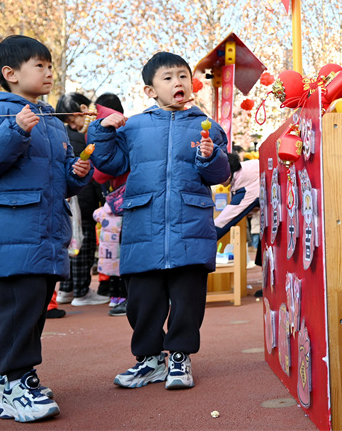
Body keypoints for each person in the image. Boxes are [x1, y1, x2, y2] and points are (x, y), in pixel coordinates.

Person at [0, 35, 92, 422]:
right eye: (40, 65)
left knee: (33, 308)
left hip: (45, 232)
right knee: (18, 309)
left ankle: (8, 379)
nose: (49, 72)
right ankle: (20, 381)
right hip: (10, 232)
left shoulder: (50, 122)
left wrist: (76, 174)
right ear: (10, 73)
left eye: (50, 65)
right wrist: (15, 130)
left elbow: (61, 182)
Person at [89, 52, 229, 390]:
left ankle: (179, 356)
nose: (177, 82)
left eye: (182, 75)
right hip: (143, 226)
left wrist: (208, 156)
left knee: (187, 297)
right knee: (143, 299)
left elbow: (220, 172)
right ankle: (149, 359)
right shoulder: (133, 127)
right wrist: (102, 131)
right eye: (167, 78)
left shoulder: (205, 125)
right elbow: (109, 163)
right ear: (150, 90)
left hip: (189, 225)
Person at [55, 92, 109, 307]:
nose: (74, 125)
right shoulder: (85, 137)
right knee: (82, 248)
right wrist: (102, 201)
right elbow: (95, 175)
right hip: (83, 200)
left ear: (84, 109)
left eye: (73, 120)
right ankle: (81, 292)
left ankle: (66, 290)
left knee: (71, 245)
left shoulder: (65, 135)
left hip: (70, 199)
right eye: (69, 122)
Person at [91, 92, 130, 316]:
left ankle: (121, 295)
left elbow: (100, 174)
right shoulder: (127, 128)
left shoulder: (117, 130)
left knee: (117, 252)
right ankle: (122, 295)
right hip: (123, 201)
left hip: (118, 201)